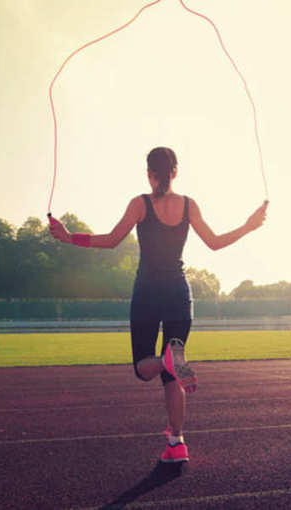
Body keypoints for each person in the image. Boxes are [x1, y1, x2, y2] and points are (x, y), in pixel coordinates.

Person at [49, 147, 267, 463]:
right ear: (175, 172)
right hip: (179, 294)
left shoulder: (140, 204)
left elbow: (111, 241)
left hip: (148, 294)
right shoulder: (189, 205)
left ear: (149, 174)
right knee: (173, 375)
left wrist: (70, 238)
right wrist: (248, 225)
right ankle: (177, 444)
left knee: (144, 368)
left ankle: (166, 363)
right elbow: (216, 243)